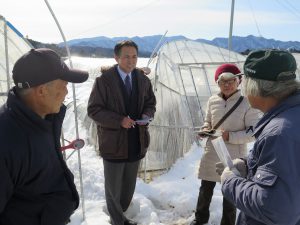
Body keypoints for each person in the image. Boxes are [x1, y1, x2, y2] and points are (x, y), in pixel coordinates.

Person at [0, 48, 89, 225]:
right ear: (41, 91)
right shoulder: (6, 140)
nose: (66, 93)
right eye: (63, 85)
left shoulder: (42, 119)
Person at [220, 49, 300, 225]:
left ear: (256, 87)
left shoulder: (280, 133)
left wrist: (230, 181)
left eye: (245, 81)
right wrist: (250, 163)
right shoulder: (291, 118)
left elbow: (275, 210)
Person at [87, 40, 156, 225]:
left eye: (134, 56)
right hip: (113, 142)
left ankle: (122, 212)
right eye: (126, 56)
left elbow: (151, 103)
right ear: (116, 57)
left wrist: (147, 114)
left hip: (137, 140)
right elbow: (94, 110)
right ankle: (118, 221)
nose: (131, 60)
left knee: (128, 187)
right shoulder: (104, 81)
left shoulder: (142, 80)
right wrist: (119, 120)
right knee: (113, 188)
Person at [191, 64, 260, 225]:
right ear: (218, 83)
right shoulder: (213, 100)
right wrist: (205, 129)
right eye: (223, 81)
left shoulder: (247, 102)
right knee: (205, 188)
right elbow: (208, 121)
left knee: (230, 192)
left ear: (239, 82)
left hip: (234, 155)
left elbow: (253, 132)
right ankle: (200, 219)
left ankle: (228, 222)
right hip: (212, 150)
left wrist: (231, 136)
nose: (227, 85)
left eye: (231, 81)